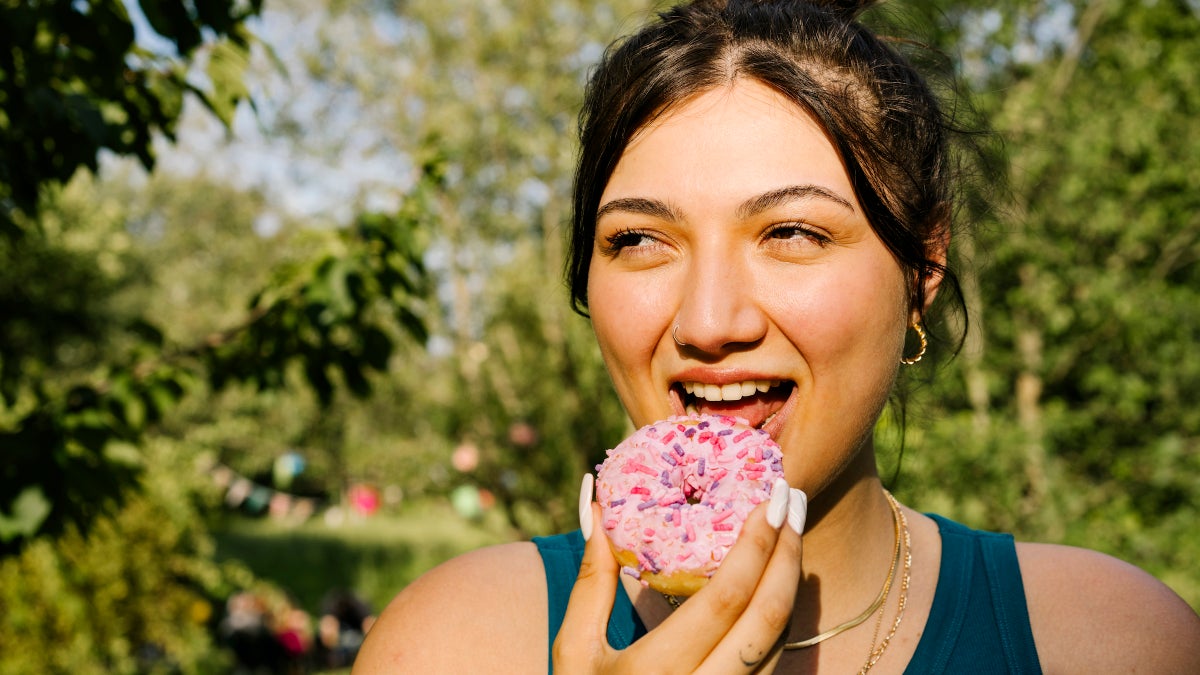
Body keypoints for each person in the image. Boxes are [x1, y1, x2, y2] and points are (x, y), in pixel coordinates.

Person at [354, 1, 1200, 672]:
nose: (709, 322)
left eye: (793, 231)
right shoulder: (448, 645)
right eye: (640, 240)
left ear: (923, 272)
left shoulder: (1114, 644)